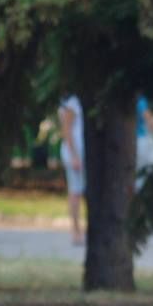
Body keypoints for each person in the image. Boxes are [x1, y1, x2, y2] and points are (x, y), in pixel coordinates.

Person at [57, 94, 85, 245]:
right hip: (75, 153)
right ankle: (76, 230)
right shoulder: (72, 102)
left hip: (83, 153)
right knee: (75, 191)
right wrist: (74, 155)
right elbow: (67, 130)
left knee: (82, 191)